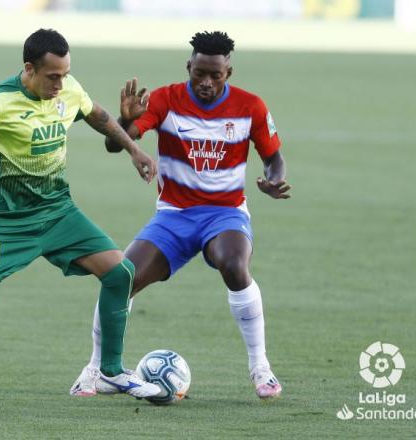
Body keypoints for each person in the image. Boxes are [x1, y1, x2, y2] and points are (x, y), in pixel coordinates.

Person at [0, 28, 162, 412]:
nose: (61, 83)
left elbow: (99, 117)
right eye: (53, 76)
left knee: (120, 273)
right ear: (29, 69)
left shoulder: (68, 90)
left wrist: (135, 150)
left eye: (65, 74)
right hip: (3, 223)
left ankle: (111, 370)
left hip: (57, 213)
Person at [70, 31, 291, 400]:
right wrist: (125, 123)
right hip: (174, 215)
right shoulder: (165, 100)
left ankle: (260, 367)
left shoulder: (250, 107)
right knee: (119, 279)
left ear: (228, 73)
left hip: (225, 213)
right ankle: (97, 370)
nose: (205, 83)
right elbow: (114, 145)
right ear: (189, 67)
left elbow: (274, 158)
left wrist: (274, 180)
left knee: (235, 265)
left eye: (214, 75)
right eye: (198, 74)